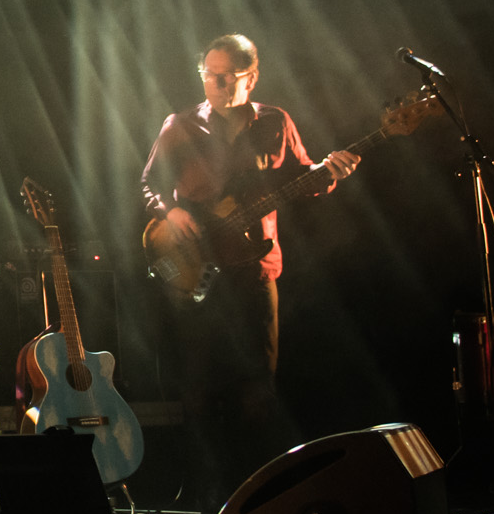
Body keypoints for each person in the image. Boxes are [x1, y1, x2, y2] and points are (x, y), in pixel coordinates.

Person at [139, 33, 358, 499]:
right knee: (197, 388)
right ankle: (200, 494)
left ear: (250, 78)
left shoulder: (275, 122)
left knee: (259, 387)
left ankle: (259, 496)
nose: (215, 84)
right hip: (197, 270)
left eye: (226, 76)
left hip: (257, 269)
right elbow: (148, 184)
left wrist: (329, 173)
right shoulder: (179, 125)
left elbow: (302, 177)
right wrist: (169, 211)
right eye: (208, 75)